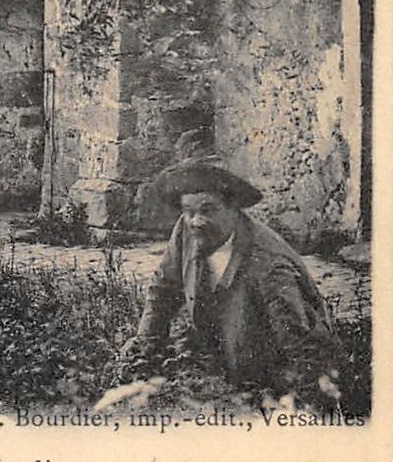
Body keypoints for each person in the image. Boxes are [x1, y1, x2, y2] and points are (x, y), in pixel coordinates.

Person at [121, 157, 342, 408]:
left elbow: (300, 346)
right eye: (189, 211)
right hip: (223, 373)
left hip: (272, 387)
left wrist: (311, 411)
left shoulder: (269, 266)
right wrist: (144, 347)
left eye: (208, 210)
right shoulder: (187, 231)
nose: (196, 221)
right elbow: (163, 289)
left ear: (233, 209)